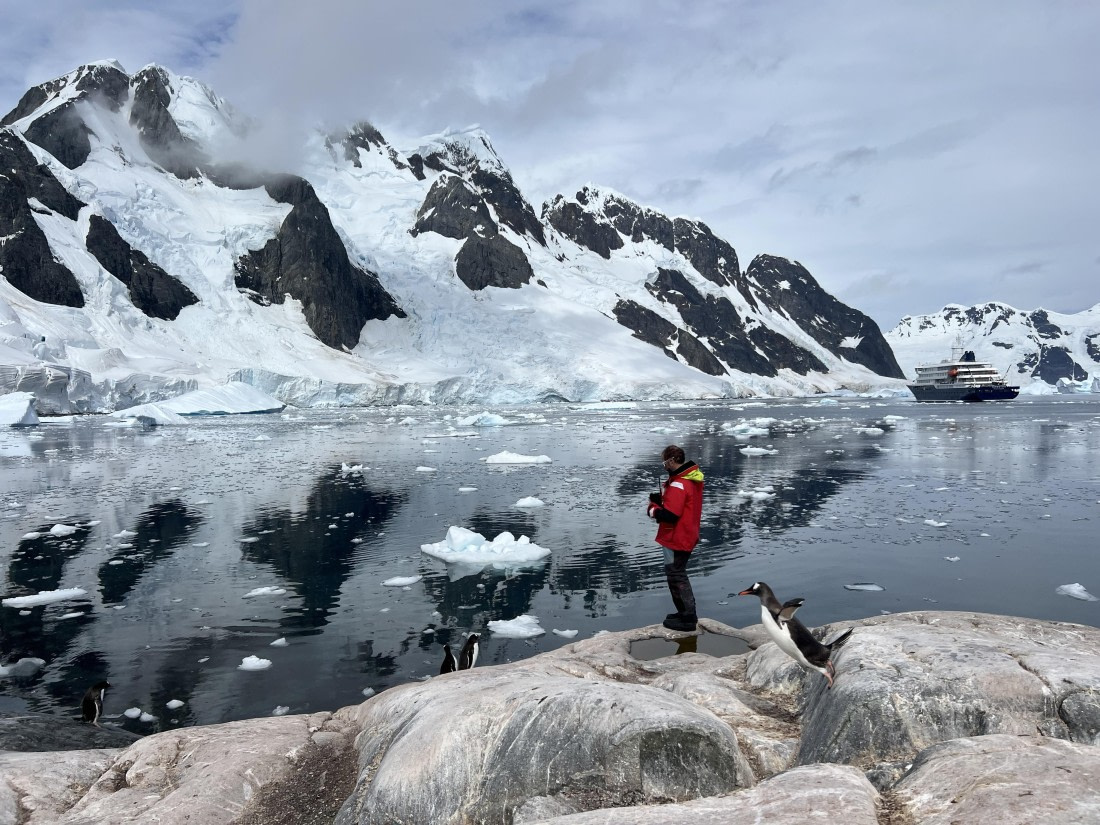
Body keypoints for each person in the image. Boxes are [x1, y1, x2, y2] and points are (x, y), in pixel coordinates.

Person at [646, 444, 704, 631]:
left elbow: (671, 515)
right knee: (678, 573)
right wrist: (663, 501)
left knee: (676, 575)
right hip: (687, 533)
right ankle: (684, 613)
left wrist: (653, 509)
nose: (663, 464)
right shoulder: (689, 479)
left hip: (677, 537)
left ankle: (687, 618)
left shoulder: (679, 484)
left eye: (664, 460)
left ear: (671, 461)